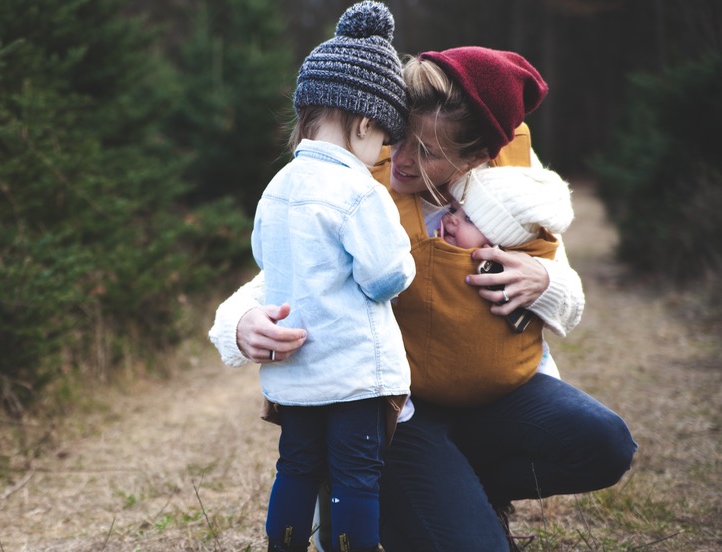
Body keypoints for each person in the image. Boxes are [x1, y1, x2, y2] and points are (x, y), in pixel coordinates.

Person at [209, 46, 637, 551]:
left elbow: (569, 295)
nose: (403, 160)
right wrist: (238, 324)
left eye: (429, 152)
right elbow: (285, 270)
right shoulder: (359, 173)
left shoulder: (513, 183)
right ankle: (396, 492)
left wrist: (545, 281)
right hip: (397, 410)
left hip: (494, 397)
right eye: (401, 137)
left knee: (606, 444)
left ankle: (454, 491)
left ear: (477, 156)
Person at [252, 3, 414, 551]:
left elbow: (266, 258)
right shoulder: (358, 189)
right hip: (352, 370)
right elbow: (386, 274)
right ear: (365, 123)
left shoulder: (277, 186)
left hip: (296, 373)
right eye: (383, 140)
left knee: (296, 466)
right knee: (356, 477)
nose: (381, 155)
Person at [406, 165, 575, 408]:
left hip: (516, 383)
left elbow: (571, 305)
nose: (450, 219)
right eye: (453, 209)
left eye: (469, 219)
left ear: (497, 240)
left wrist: (547, 282)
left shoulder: (517, 254)